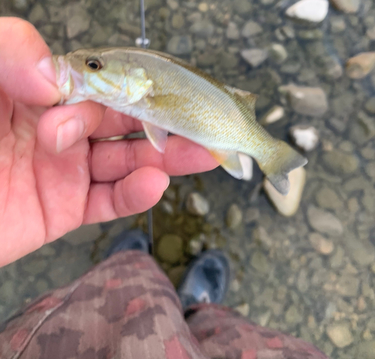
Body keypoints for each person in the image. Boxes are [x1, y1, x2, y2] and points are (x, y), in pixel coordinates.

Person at [0, 18, 329, 358]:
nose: (82, 66)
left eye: (94, 65)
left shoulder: (146, 97)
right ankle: (195, 307)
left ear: (138, 81)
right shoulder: (140, 98)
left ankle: (128, 273)